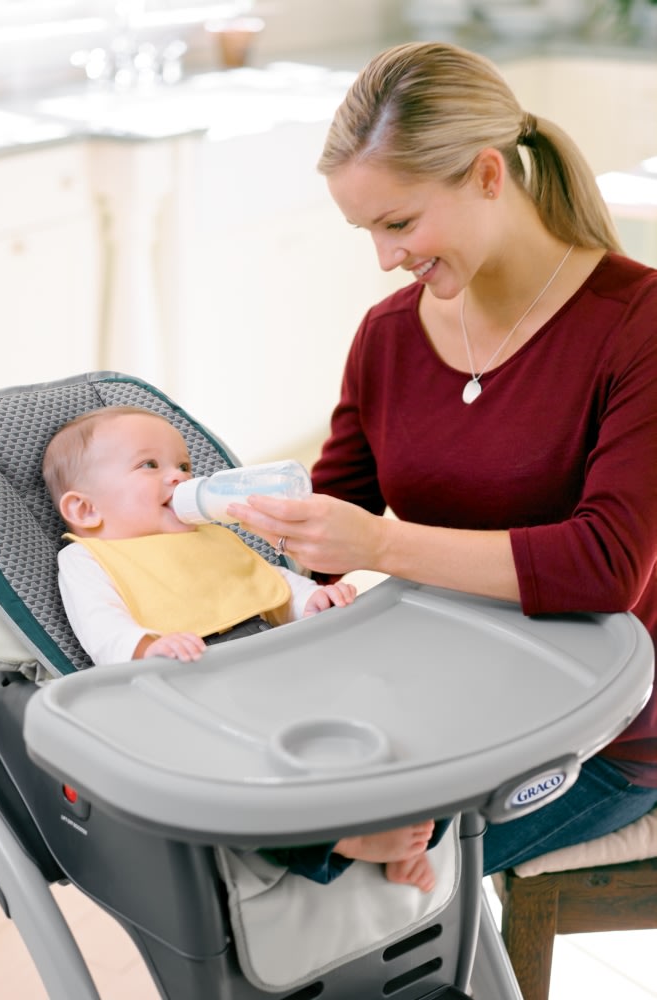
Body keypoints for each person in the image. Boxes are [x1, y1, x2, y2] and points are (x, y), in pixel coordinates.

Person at [226, 41, 657, 876]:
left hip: (601, 728)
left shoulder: (635, 325)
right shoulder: (389, 335)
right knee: (226, 803)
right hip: (447, 695)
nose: (387, 259)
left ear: (488, 176)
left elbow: (608, 565)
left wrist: (380, 546)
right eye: (368, 232)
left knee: (319, 870)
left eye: (399, 222)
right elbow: (327, 519)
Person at [42, 405, 443, 889]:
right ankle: (340, 842)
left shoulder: (213, 538)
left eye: (185, 466)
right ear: (86, 509)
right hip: (198, 692)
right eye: (150, 466)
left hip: (283, 675)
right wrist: (148, 646)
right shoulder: (88, 559)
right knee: (241, 791)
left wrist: (313, 599)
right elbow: (101, 627)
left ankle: (412, 822)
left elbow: (272, 585)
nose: (177, 477)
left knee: (382, 723)